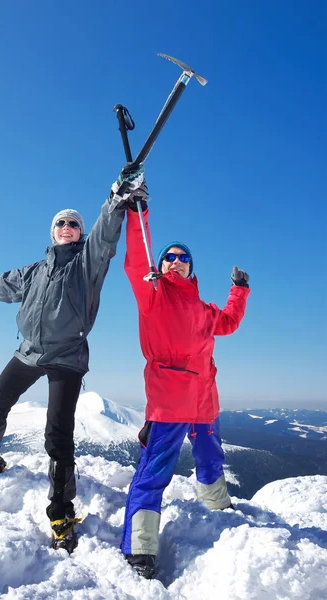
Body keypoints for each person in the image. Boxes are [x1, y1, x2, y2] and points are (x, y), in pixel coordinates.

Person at [0, 164, 145, 552]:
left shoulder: (87, 264)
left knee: (57, 435)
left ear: (79, 233)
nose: (66, 227)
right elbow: (1, 284)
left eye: (73, 224)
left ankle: (61, 512)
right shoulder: (35, 271)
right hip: (28, 352)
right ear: (52, 231)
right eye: (60, 223)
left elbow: (106, 236)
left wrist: (115, 199)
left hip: (66, 358)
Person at [120, 188, 250, 578]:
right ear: (162, 265)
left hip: (205, 400)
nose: (175, 261)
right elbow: (137, 259)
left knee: (210, 458)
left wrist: (239, 291)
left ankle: (218, 508)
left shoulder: (203, 308)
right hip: (170, 399)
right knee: (155, 470)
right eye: (170, 257)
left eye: (183, 257)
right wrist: (137, 210)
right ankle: (140, 546)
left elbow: (228, 322)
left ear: (192, 269)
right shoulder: (153, 294)